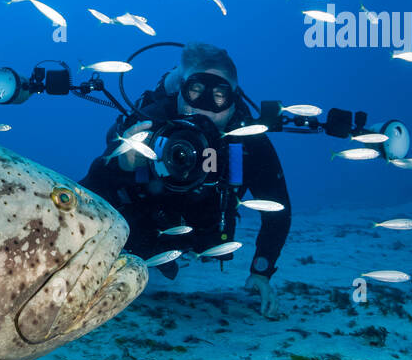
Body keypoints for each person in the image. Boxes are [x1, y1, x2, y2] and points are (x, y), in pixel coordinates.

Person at [79, 43, 290, 319]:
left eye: (219, 96)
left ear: (234, 100)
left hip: (206, 239)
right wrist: (121, 165)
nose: (205, 109)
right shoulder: (150, 123)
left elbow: (277, 208)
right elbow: (86, 195)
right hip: (141, 239)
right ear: (179, 92)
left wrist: (261, 272)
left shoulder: (247, 140)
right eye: (195, 92)